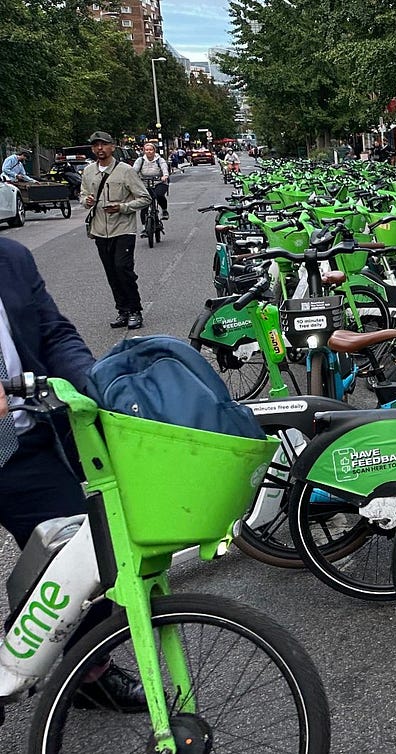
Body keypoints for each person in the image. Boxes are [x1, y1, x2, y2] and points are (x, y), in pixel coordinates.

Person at [0, 237, 148, 711]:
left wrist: (97, 388)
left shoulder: (12, 257)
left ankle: (89, 672)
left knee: (87, 558)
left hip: (19, 442)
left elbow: (53, 334)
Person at [79, 131, 151, 331]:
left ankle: (135, 310)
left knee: (123, 269)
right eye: (96, 145)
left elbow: (145, 198)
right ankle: (123, 310)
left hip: (123, 229)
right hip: (100, 230)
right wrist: (87, 201)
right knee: (111, 272)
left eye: (103, 145)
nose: (99, 149)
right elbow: (83, 194)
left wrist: (122, 207)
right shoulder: (88, 171)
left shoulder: (125, 171)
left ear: (112, 147)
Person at [132, 142, 170, 220]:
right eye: (147, 150)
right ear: (144, 151)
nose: (149, 151)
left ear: (154, 151)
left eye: (151, 150)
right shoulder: (140, 160)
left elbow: (164, 168)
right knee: (144, 203)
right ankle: (144, 227)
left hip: (159, 182)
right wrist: (132, 177)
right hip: (145, 183)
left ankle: (164, 210)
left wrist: (165, 176)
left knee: (159, 195)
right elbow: (134, 170)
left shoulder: (159, 160)